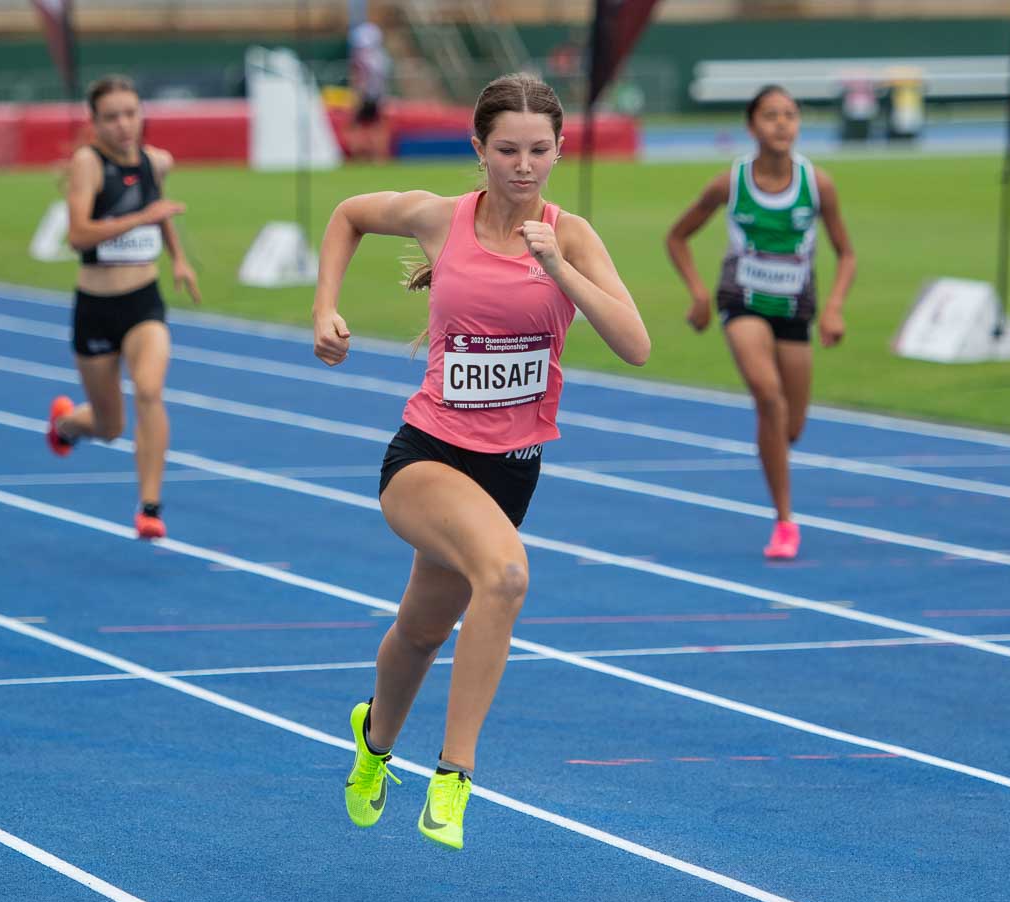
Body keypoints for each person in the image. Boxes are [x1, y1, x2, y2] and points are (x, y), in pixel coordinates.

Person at [313, 73, 650, 849]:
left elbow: (635, 345)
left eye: (539, 150)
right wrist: (325, 307)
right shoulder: (441, 219)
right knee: (504, 575)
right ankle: (454, 776)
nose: (523, 166)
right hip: (426, 457)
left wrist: (561, 270)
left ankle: (373, 744)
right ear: (479, 149)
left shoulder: (570, 236)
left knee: (423, 632)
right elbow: (347, 215)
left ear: (560, 150)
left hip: (511, 472)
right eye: (507, 151)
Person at [666, 85, 856, 560]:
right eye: (771, 115)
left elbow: (846, 253)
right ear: (752, 126)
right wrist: (697, 292)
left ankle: (777, 451)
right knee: (767, 398)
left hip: (795, 310)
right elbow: (677, 237)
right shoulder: (730, 183)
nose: (781, 124)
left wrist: (833, 306)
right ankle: (786, 522)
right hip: (742, 302)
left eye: (790, 115)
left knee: (790, 426)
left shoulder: (818, 185)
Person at [47, 74, 200, 540]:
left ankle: (149, 507)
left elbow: (158, 209)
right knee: (110, 425)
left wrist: (179, 259)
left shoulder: (157, 161)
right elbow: (78, 235)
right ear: (94, 123)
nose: (123, 125)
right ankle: (67, 424)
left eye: (131, 114)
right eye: (112, 117)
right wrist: (141, 219)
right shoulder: (87, 164)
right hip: (95, 306)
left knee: (150, 391)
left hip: (142, 302)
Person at [347, 22, 392, 162]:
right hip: (378, 95)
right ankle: (378, 156)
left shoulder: (362, 57)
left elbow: (358, 78)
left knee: (357, 126)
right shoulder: (381, 57)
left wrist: (357, 95)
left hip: (365, 95)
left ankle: (359, 155)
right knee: (377, 126)